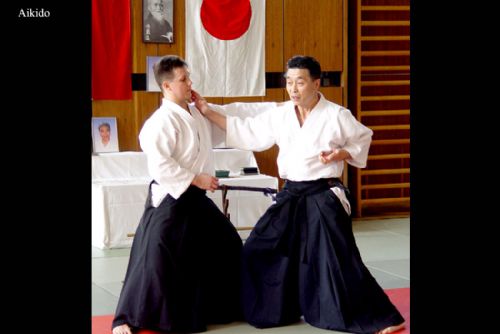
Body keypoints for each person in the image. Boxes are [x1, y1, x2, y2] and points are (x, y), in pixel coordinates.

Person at [193, 55, 406, 334]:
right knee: (260, 246)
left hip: (323, 194)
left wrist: (341, 152)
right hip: (292, 194)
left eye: (300, 82)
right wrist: (207, 111)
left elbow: (362, 139)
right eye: (289, 82)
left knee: (336, 258)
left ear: (316, 83)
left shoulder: (336, 115)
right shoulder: (281, 114)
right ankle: (274, 307)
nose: (293, 89)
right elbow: (246, 131)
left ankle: (382, 317)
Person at [111, 55, 243, 334]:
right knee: (155, 254)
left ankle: (219, 307)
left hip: (195, 198)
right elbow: (160, 165)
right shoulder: (159, 122)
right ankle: (128, 317)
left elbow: (220, 134)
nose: (190, 83)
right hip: (172, 196)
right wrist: (196, 178)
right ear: (167, 86)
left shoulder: (195, 113)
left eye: (189, 77)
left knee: (227, 242)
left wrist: (206, 109)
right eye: (183, 80)